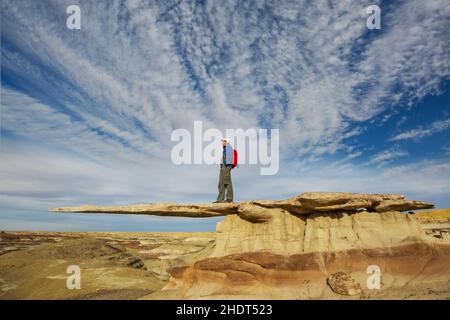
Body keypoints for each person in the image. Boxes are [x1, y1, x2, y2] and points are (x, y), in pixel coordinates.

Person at [213, 138, 234, 203]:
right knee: (221, 183)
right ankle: (220, 199)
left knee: (227, 182)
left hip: (226, 166)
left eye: (224, 141)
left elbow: (228, 159)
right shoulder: (225, 149)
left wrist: (226, 166)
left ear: (227, 142)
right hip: (223, 166)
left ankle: (229, 199)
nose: (222, 142)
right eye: (222, 141)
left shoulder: (229, 148)